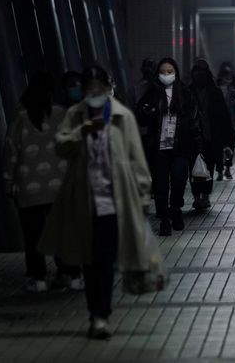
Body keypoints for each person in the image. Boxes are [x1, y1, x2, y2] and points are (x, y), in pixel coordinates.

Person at [38, 66, 152, 340]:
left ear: (108, 88)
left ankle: (101, 313)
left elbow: (136, 157)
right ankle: (97, 315)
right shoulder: (75, 115)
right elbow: (60, 146)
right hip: (83, 201)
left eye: (98, 89)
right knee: (90, 260)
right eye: (89, 90)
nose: (94, 94)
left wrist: (143, 194)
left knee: (105, 259)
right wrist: (83, 131)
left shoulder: (123, 117)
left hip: (116, 201)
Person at [3, 72, 82, 292]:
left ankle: (38, 279)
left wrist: (8, 182)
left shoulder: (20, 116)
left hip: (29, 188)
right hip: (60, 187)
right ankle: (72, 275)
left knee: (33, 235)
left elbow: (10, 152)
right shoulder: (61, 114)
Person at [136, 58, 202, 236]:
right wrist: (146, 112)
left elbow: (194, 119)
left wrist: (197, 145)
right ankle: (164, 218)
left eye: (170, 71)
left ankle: (175, 207)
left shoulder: (185, 93)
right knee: (160, 184)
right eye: (163, 72)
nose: (166, 75)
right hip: (158, 148)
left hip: (180, 146)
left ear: (176, 72)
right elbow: (140, 116)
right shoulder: (152, 93)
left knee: (179, 179)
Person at [188, 59, 234, 210]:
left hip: (210, 136)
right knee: (193, 168)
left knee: (208, 166)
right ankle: (196, 196)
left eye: (202, 71)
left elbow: (223, 117)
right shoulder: (187, 92)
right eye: (197, 71)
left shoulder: (215, 93)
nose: (199, 74)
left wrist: (226, 140)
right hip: (193, 137)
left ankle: (205, 196)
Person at [217, 62, 235, 180]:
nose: (227, 79)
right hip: (219, 122)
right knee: (219, 146)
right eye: (226, 76)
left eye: (229, 77)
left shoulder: (234, 90)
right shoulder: (215, 90)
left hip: (232, 121)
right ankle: (219, 170)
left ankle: (227, 168)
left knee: (231, 145)